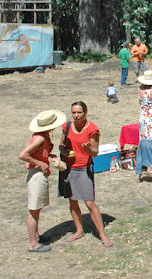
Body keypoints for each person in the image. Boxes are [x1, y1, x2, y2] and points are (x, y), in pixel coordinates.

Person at [59, 101, 113, 247]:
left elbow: (95, 153)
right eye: (74, 112)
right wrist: (65, 153)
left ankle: (102, 235)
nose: (76, 116)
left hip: (84, 168)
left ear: (85, 113)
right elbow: (61, 145)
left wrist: (87, 149)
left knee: (89, 203)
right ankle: (79, 230)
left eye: (79, 113)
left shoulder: (92, 129)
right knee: (72, 200)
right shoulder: (67, 127)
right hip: (69, 168)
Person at [19, 109, 66, 252]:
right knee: (34, 210)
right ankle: (33, 244)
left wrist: (47, 156)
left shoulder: (44, 136)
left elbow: (38, 152)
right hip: (36, 174)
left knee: (37, 208)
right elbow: (23, 155)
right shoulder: (39, 138)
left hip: (40, 174)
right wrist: (40, 163)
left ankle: (37, 236)